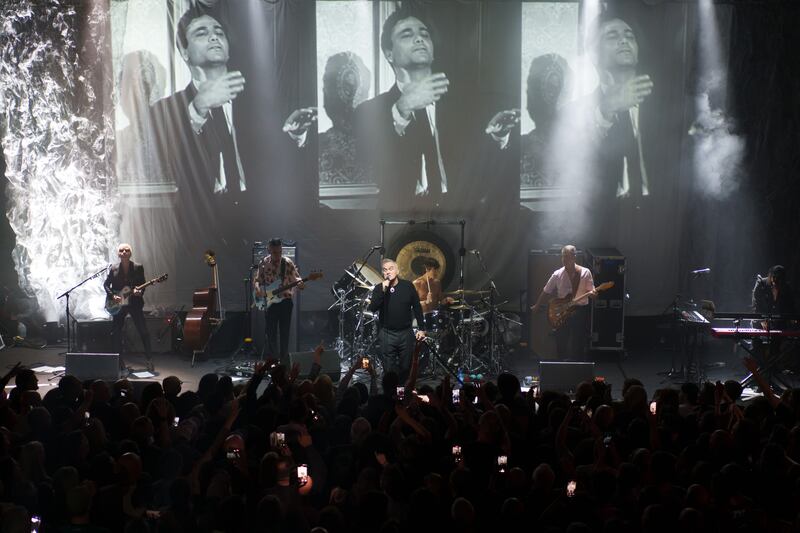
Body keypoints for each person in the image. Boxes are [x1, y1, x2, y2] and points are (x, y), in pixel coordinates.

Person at [151, 8, 247, 219]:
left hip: (256, 222)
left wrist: (297, 136)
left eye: (219, 32)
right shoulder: (165, 111)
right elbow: (170, 166)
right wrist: (197, 109)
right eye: (201, 33)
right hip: (200, 228)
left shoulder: (255, 105)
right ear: (184, 52)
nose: (214, 36)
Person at [355, 8, 454, 212]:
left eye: (424, 34)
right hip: (396, 223)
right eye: (407, 34)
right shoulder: (369, 112)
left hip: (457, 217)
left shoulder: (464, 107)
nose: (419, 39)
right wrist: (402, 108)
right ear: (389, 54)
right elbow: (370, 166)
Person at [586, 12, 653, 202]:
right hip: (605, 220)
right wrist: (606, 110)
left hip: (660, 217)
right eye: (612, 36)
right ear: (593, 54)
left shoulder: (668, 106)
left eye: (630, 36)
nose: (624, 40)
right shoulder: (577, 114)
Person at [530, 245, 597, 359]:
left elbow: (593, 294)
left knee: (578, 341)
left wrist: (594, 294)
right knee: (561, 340)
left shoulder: (585, 272)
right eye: (563, 257)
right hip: (563, 310)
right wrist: (537, 305)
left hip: (580, 311)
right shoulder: (557, 274)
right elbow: (546, 290)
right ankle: (561, 365)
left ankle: (578, 367)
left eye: (567, 256)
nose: (564, 259)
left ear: (574, 257)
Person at [368, 259, 425, 379]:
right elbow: (372, 308)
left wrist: (422, 328)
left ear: (397, 270)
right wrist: (383, 291)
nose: (388, 272)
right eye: (385, 270)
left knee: (406, 367)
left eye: (391, 268)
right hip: (387, 333)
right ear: (383, 273)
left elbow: (417, 307)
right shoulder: (379, 288)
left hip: (405, 332)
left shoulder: (408, 286)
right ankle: (391, 394)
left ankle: (403, 393)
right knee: (389, 369)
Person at [104, 243, 153, 372]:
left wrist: (139, 292)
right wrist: (113, 296)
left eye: (127, 250)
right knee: (116, 333)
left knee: (144, 331)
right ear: (118, 254)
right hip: (119, 305)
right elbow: (106, 285)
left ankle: (149, 359)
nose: (124, 252)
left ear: (130, 253)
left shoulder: (138, 267)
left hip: (134, 303)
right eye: (121, 250)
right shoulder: (113, 268)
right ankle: (119, 362)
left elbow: (143, 284)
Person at [254, 239, 304, 363]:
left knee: (284, 333)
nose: (278, 255)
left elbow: (296, 278)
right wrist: (257, 289)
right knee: (271, 333)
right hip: (270, 302)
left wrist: (301, 283)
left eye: (280, 252)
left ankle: (283, 363)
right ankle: (273, 362)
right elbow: (257, 280)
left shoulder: (287, 262)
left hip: (285, 302)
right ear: (269, 250)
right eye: (275, 252)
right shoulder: (264, 263)